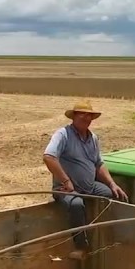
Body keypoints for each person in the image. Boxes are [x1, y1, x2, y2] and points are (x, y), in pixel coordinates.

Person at [43, 99, 128, 260]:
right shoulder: (63, 134)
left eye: (89, 115)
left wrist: (112, 184)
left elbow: (99, 164)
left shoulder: (93, 138)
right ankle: (81, 247)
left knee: (109, 194)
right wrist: (66, 182)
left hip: (89, 187)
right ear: (74, 116)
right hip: (65, 189)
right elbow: (49, 157)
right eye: (82, 114)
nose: (85, 118)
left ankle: (104, 234)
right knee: (76, 204)